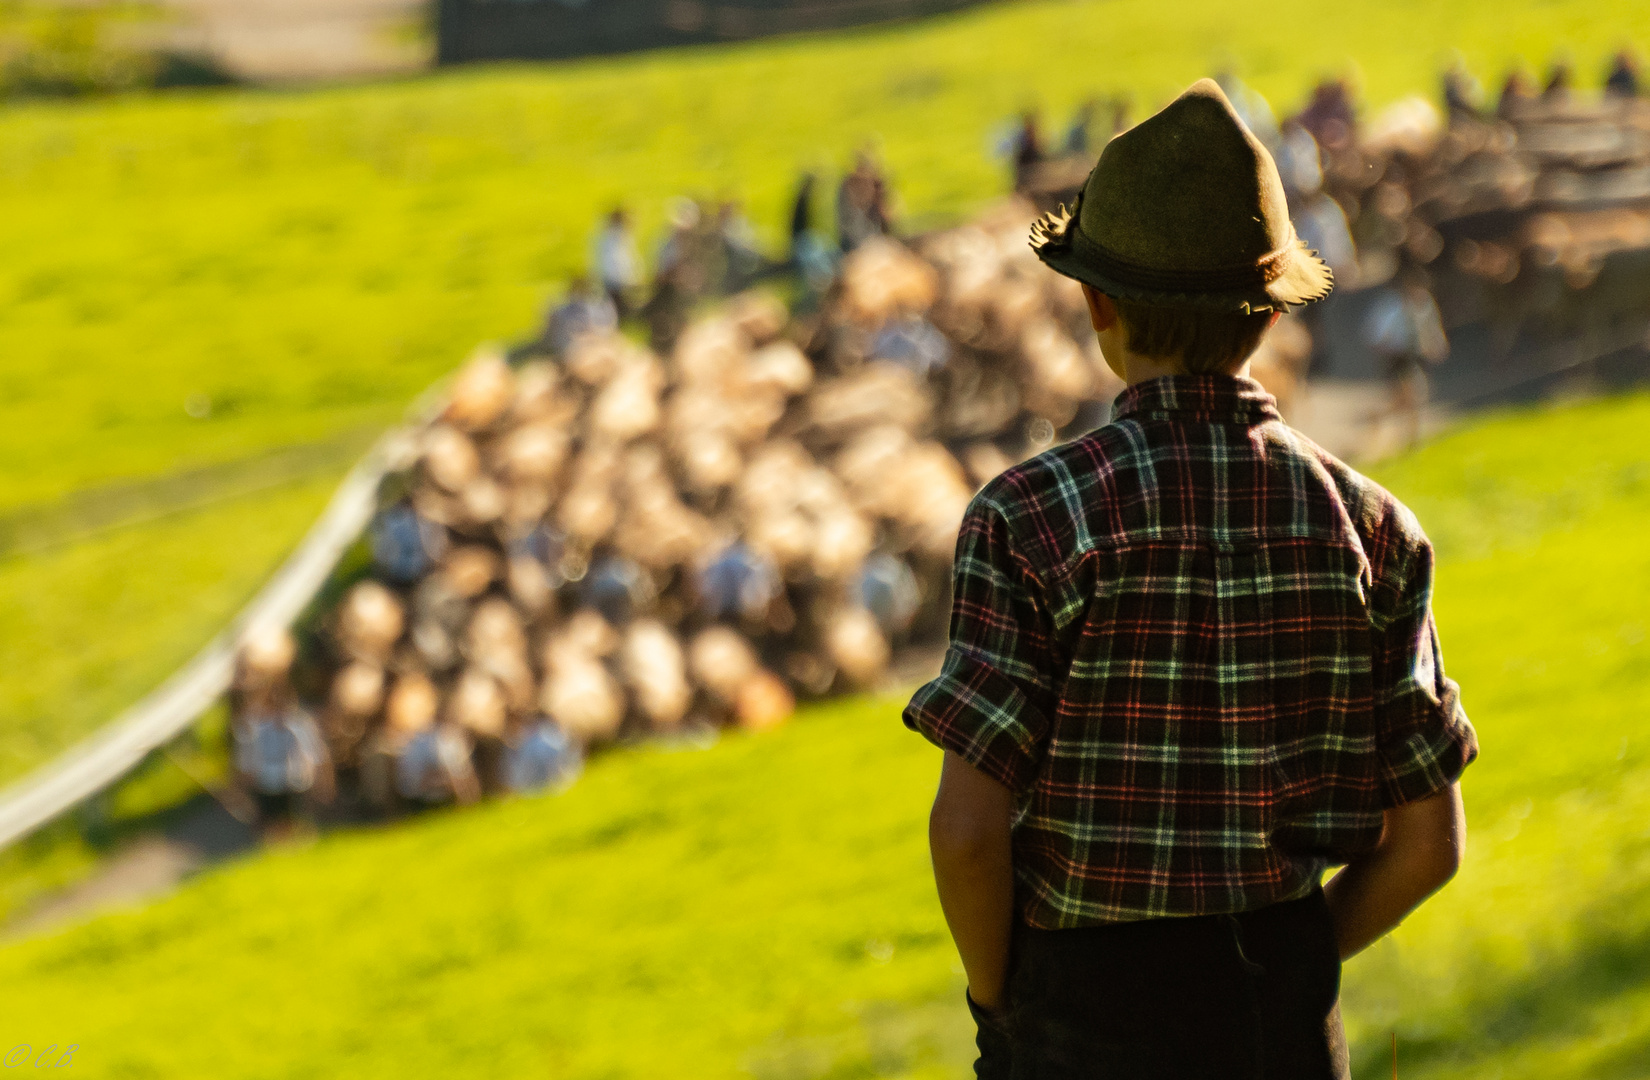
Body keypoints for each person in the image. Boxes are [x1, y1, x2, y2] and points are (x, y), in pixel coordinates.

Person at [905, 80, 1477, 1079]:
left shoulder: (1029, 517)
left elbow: (967, 833)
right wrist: (1292, 964)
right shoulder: (1374, 530)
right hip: (1279, 1019)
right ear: (1269, 312)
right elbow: (1427, 846)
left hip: (1075, 1013)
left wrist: (1005, 1005)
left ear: (1098, 305)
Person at [232, 628, 335, 840]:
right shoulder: (249, 721)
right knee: (274, 819)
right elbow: (246, 756)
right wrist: (242, 783)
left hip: (293, 780)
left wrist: (322, 778)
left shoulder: (294, 717)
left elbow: (313, 750)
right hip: (267, 782)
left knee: (294, 816)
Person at [1363, 271, 1449, 448]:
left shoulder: (1425, 305)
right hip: (1398, 358)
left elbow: (1431, 328)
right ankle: (1410, 441)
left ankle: (1391, 427)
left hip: (1416, 357)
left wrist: (1438, 345)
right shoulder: (1392, 307)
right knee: (1413, 397)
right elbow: (1376, 334)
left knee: (1408, 400)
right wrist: (1386, 346)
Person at [836, 151, 891, 253]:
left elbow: (888, 222)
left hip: (874, 247)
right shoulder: (849, 208)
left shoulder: (874, 209)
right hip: (855, 249)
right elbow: (851, 234)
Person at [592, 208, 642, 318]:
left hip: (622, 282)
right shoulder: (609, 239)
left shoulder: (622, 237)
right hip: (615, 283)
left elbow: (631, 259)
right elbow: (614, 263)